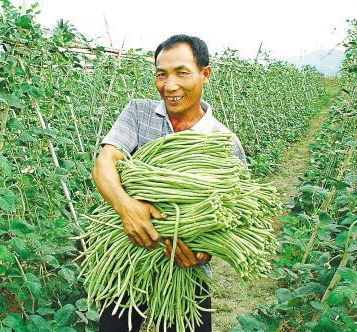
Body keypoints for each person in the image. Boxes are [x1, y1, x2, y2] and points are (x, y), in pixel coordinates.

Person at [91, 34, 247, 332]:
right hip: (128, 258)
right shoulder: (138, 112)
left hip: (187, 271)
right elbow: (105, 162)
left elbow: (234, 214)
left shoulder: (223, 142)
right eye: (161, 74)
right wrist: (127, 208)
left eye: (182, 73)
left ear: (205, 74)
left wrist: (205, 252)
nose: (170, 85)